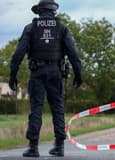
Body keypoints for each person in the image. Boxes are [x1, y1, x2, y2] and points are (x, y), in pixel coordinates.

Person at [9, 0, 82, 157]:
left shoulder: (31, 28)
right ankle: (59, 146)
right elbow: (73, 54)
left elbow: (18, 54)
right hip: (56, 72)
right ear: (53, 11)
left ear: (39, 11)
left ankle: (33, 147)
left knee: (36, 108)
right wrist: (78, 74)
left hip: (37, 72)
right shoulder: (62, 28)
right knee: (58, 108)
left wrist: (12, 75)